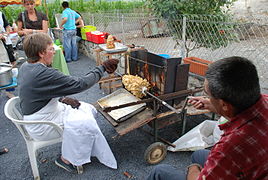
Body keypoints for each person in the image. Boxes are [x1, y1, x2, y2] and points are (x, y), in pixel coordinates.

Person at [146, 56, 268, 180]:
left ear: (224, 105)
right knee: (198, 154)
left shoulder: (228, 149)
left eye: (207, 94)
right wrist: (211, 104)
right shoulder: (263, 99)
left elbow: (227, 153)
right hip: (258, 166)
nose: (206, 97)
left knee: (160, 171)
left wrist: (193, 168)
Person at [18, 33, 119, 173]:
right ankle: (67, 159)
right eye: (51, 49)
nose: (54, 51)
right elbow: (80, 84)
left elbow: (38, 92)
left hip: (40, 113)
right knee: (85, 122)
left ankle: (82, 147)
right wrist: (102, 67)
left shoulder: (26, 66)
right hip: (42, 124)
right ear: (41, 53)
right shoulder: (43, 73)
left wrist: (62, 98)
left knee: (87, 108)